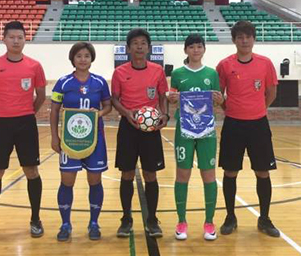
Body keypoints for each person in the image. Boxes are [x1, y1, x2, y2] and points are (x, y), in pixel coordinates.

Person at [0, 21, 46, 240]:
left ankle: (35, 220)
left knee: (31, 171)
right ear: (4, 39)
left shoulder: (34, 66)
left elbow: (40, 96)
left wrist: (26, 112)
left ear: (25, 39)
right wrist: (2, 111)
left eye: (20, 37)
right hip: (0, 124)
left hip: (26, 124)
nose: (16, 41)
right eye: (11, 37)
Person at [217, 21, 280, 237]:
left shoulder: (265, 63)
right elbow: (218, 95)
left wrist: (259, 109)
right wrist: (231, 108)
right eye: (240, 37)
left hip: (258, 125)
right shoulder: (225, 65)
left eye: (248, 36)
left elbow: (271, 92)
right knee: (230, 172)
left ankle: (264, 218)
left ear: (254, 39)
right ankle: (230, 217)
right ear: (234, 40)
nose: (245, 40)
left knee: (262, 172)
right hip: (233, 124)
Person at [50, 42, 111, 241]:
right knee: (67, 181)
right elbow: (54, 111)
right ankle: (65, 224)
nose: (83, 59)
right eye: (79, 56)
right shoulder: (63, 82)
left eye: (86, 55)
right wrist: (54, 137)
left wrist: (99, 113)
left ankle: (94, 223)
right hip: (70, 140)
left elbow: (108, 106)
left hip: (95, 139)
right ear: (73, 59)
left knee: (95, 180)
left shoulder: (100, 82)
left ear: (91, 58)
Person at [111, 28, 169, 238]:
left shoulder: (157, 71)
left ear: (149, 47)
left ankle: (152, 219)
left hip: (151, 129)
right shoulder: (119, 72)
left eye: (143, 43)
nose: (139, 46)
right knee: (126, 174)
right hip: (128, 127)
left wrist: (164, 114)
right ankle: (126, 219)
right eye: (135, 43)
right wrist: (127, 114)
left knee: (150, 174)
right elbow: (115, 99)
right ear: (128, 48)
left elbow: (163, 96)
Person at [168, 34, 224, 241]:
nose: (195, 50)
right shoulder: (178, 74)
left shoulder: (212, 73)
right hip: (184, 129)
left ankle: (209, 222)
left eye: (199, 46)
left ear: (204, 49)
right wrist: (172, 98)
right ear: (186, 50)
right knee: (182, 175)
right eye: (191, 47)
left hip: (207, 131)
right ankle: (181, 221)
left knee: (208, 176)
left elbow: (218, 100)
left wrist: (219, 99)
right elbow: (172, 97)